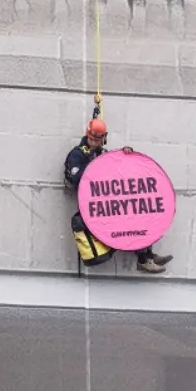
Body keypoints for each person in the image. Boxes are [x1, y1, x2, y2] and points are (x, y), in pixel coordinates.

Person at [64, 98, 173, 274]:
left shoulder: (102, 154)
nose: (95, 142)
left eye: (98, 140)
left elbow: (117, 172)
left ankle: (147, 255)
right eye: (92, 139)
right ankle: (144, 258)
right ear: (88, 136)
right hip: (94, 208)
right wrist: (95, 165)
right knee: (127, 218)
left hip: (106, 204)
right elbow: (77, 178)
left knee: (136, 212)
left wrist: (125, 156)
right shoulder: (78, 155)